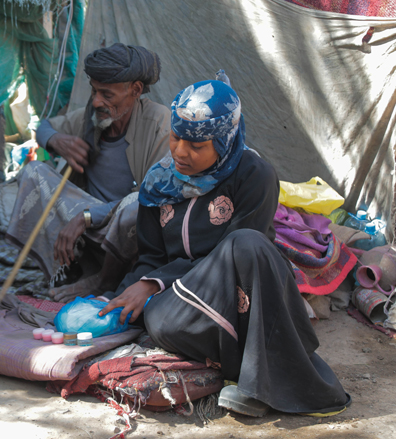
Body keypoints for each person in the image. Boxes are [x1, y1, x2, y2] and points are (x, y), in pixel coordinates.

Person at [99, 75, 351, 416]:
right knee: (160, 322)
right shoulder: (158, 183)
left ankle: (265, 384)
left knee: (246, 242)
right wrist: (133, 290)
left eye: (197, 146)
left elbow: (240, 254)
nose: (180, 152)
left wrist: (153, 282)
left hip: (241, 293)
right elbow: (152, 257)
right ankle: (247, 374)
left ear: (225, 140)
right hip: (184, 295)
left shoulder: (254, 175)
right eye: (175, 138)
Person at [7, 43, 170, 302]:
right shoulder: (91, 116)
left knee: (134, 205)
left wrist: (86, 217)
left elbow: (153, 199)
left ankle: (105, 283)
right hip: (87, 231)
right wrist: (57, 140)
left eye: (107, 94)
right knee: (35, 171)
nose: (96, 101)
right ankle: (66, 271)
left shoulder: (160, 124)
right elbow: (45, 127)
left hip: (127, 234)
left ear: (135, 90)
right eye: (94, 91)